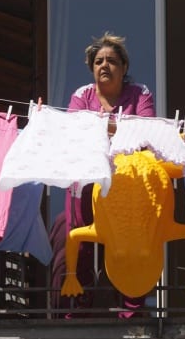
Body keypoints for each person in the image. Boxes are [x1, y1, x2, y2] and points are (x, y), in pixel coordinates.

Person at [50, 32, 155, 318]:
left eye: (111, 61)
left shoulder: (140, 94)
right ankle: (75, 312)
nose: (104, 66)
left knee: (130, 244)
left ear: (124, 67)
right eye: (98, 61)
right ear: (91, 68)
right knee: (79, 240)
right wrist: (119, 129)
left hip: (128, 184)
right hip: (85, 182)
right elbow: (74, 132)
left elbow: (146, 130)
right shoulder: (82, 95)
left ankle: (130, 313)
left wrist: (101, 128)